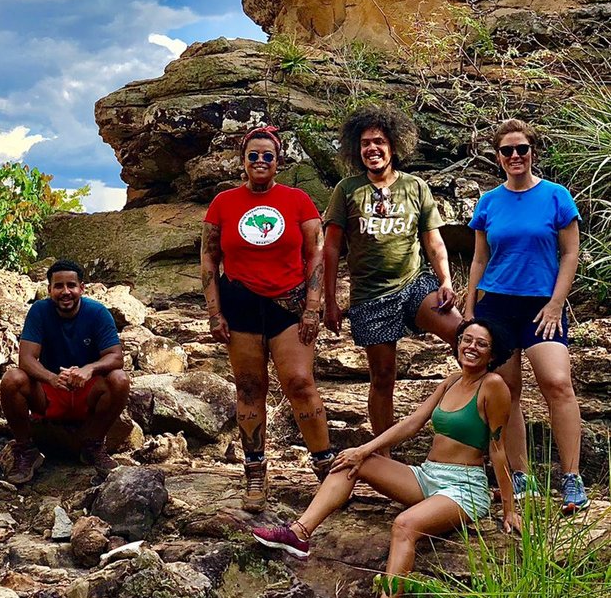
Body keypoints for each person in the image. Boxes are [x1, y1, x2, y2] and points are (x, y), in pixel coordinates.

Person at [252, 319, 519, 598]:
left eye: (480, 344)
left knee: (405, 525)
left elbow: (498, 450)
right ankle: (299, 533)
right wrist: (365, 449)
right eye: (466, 339)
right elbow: (412, 423)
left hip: (464, 488)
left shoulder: (494, 386)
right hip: (428, 477)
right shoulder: (452, 380)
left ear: (492, 352)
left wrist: (509, 508)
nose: (470, 347)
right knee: (350, 464)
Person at [201, 125, 333, 514]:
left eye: (268, 156)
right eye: (253, 155)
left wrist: (313, 306)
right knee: (248, 387)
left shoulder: (298, 200)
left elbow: (316, 253)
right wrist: (213, 311)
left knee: (299, 382)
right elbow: (209, 257)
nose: (260, 162)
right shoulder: (223, 203)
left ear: (279, 161)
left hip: (289, 304)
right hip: (240, 303)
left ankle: (326, 469)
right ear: (243, 161)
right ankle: (255, 469)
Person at [464, 118, 588, 514]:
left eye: (522, 149)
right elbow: (480, 258)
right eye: (507, 151)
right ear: (498, 156)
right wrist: (469, 308)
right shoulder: (489, 201)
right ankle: (521, 475)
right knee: (507, 391)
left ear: (532, 152)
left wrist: (555, 303)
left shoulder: (556, 196)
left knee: (557, 383)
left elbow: (570, 253)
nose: (515, 156)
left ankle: (571, 478)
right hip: (496, 304)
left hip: (540, 304)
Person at [323, 105, 462, 441]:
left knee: (466, 337)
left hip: (414, 284)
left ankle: (471, 426)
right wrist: (330, 301)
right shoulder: (347, 189)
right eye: (366, 143)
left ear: (393, 146)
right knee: (383, 376)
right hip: (370, 296)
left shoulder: (415, 187)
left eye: (380, 141)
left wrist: (444, 281)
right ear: (357, 150)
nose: (373, 148)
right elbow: (329, 249)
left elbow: (434, 241)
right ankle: (383, 452)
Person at [0, 259, 130, 483]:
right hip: (50, 392)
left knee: (119, 379)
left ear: (82, 288)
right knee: (12, 379)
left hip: (85, 392)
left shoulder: (97, 313)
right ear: (49, 289)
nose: (65, 292)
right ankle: (26, 449)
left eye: (71, 285)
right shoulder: (39, 311)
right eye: (58, 286)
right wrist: (51, 378)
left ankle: (93, 445)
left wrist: (89, 369)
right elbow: (26, 359)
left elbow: (116, 357)